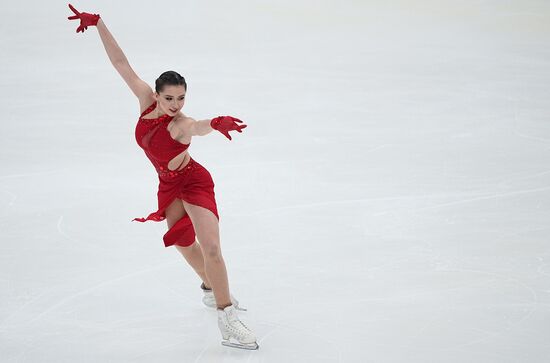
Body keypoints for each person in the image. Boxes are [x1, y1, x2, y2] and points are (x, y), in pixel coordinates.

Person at [66, 4, 258, 350]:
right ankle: (211, 289)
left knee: (211, 248)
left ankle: (228, 318)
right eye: (169, 97)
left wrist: (214, 123)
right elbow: (121, 64)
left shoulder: (180, 124)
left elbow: (197, 128)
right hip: (168, 186)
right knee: (183, 243)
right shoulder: (144, 101)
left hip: (193, 181)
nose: (175, 103)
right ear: (156, 94)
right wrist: (99, 24)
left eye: (181, 97)